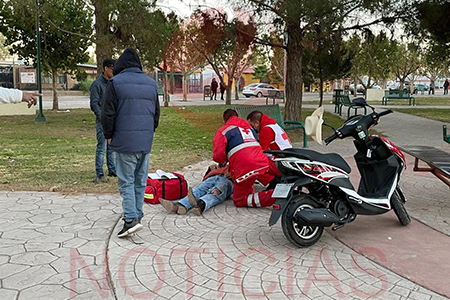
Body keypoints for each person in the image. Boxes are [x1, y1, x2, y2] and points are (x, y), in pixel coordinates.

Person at [101, 48, 160, 238]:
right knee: (140, 181)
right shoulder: (151, 84)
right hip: (145, 142)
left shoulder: (115, 83)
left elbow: (107, 113)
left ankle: (130, 220)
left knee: (126, 182)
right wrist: (148, 133)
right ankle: (137, 216)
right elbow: (156, 114)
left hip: (124, 141)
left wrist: (108, 135)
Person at [212, 109, 276, 208]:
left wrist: (226, 162)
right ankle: (277, 190)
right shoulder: (249, 127)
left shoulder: (223, 131)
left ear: (225, 120)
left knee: (239, 200)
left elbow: (218, 156)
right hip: (261, 162)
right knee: (250, 180)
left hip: (244, 167)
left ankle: (276, 196)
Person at [158, 164, 232, 216]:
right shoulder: (229, 155)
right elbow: (220, 160)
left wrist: (234, 175)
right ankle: (180, 206)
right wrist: (213, 168)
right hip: (216, 176)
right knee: (200, 189)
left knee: (216, 192)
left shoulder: (240, 158)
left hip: (229, 181)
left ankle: (201, 204)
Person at [90, 58, 117, 183]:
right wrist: (102, 118)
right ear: (106, 68)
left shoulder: (113, 83)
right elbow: (94, 104)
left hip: (113, 119)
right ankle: (99, 173)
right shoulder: (97, 84)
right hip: (102, 120)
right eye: (112, 69)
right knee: (102, 146)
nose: (114, 72)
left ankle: (112, 169)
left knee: (112, 146)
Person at [247, 110, 292, 179]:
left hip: (280, 164)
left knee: (252, 162)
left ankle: (272, 181)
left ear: (257, 123)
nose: (252, 128)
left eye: (252, 125)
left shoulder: (266, 130)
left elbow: (261, 151)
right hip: (287, 161)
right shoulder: (273, 125)